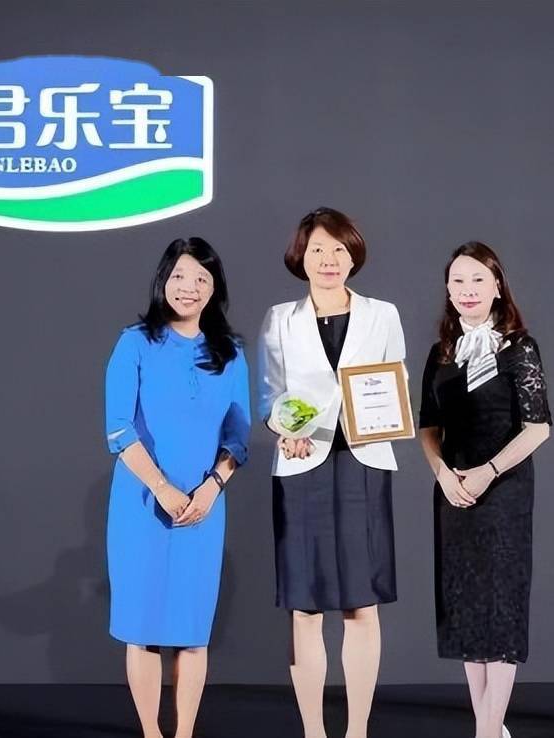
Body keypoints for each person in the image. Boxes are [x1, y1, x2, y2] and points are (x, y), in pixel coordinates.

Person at [257, 207, 406, 738]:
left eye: (339, 249)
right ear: (301, 256)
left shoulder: (382, 314)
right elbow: (271, 393)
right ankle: (314, 731)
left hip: (364, 464)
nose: (329, 259)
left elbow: (395, 382)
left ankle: (358, 729)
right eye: (318, 249)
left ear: (353, 255)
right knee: (305, 606)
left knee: (362, 604)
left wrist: (386, 413)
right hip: (303, 466)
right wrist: (284, 429)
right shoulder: (280, 318)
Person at [104, 237, 251, 738]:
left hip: (203, 508)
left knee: (191, 632)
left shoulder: (230, 354)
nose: (189, 287)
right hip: (141, 504)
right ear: (163, 280)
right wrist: (162, 488)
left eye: (201, 279)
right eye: (180, 276)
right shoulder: (134, 343)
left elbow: (238, 437)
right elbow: (119, 429)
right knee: (142, 629)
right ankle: (151, 732)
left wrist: (212, 487)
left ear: (215, 289)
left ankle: (185, 732)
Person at [419, 241, 552, 738]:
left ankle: (488, 731)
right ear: (448, 289)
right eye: (457, 280)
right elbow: (427, 426)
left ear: (497, 286)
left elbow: (538, 428)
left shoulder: (520, 348)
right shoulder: (441, 353)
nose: (467, 289)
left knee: (501, 613)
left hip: (502, 493)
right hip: (453, 494)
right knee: (468, 614)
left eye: (477, 279)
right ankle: (488, 728)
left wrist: (488, 472)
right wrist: (442, 474)